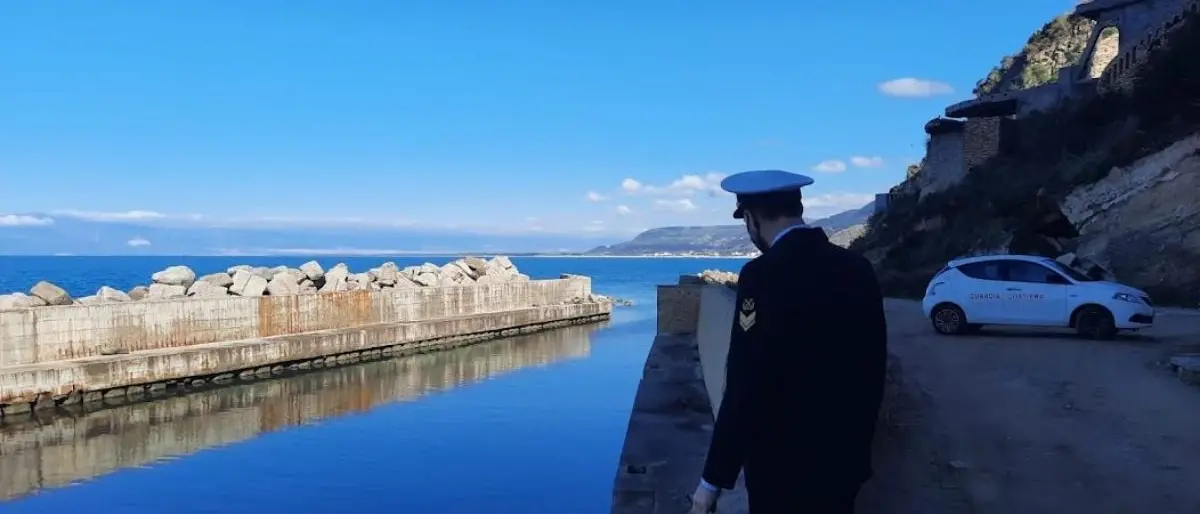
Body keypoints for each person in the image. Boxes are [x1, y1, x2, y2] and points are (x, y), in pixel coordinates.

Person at [688, 170, 888, 513]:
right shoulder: (857, 268)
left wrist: (712, 480)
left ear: (751, 218)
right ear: (798, 207)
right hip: (844, 463)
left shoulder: (762, 276)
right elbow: (874, 365)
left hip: (781, 471)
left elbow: (745, 384)